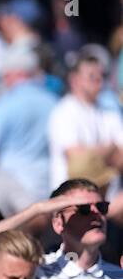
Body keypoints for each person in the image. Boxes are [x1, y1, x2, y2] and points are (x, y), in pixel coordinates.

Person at [0, 45, 57, 198]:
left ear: (18, 73)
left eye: (6, 75)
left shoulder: (5, 104)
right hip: (46, 182)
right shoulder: (53, 101)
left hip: (13, 186)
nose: (5, 80)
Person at [48, 50, 123, 196]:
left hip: (107, 198)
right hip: (72, 202)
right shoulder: (63, 112)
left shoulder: (109, 110)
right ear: (74, 80)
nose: (99, 80)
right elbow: (78, 160)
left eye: (101, 75)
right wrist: (111, 149)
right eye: (91, 76)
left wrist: (93, 154)